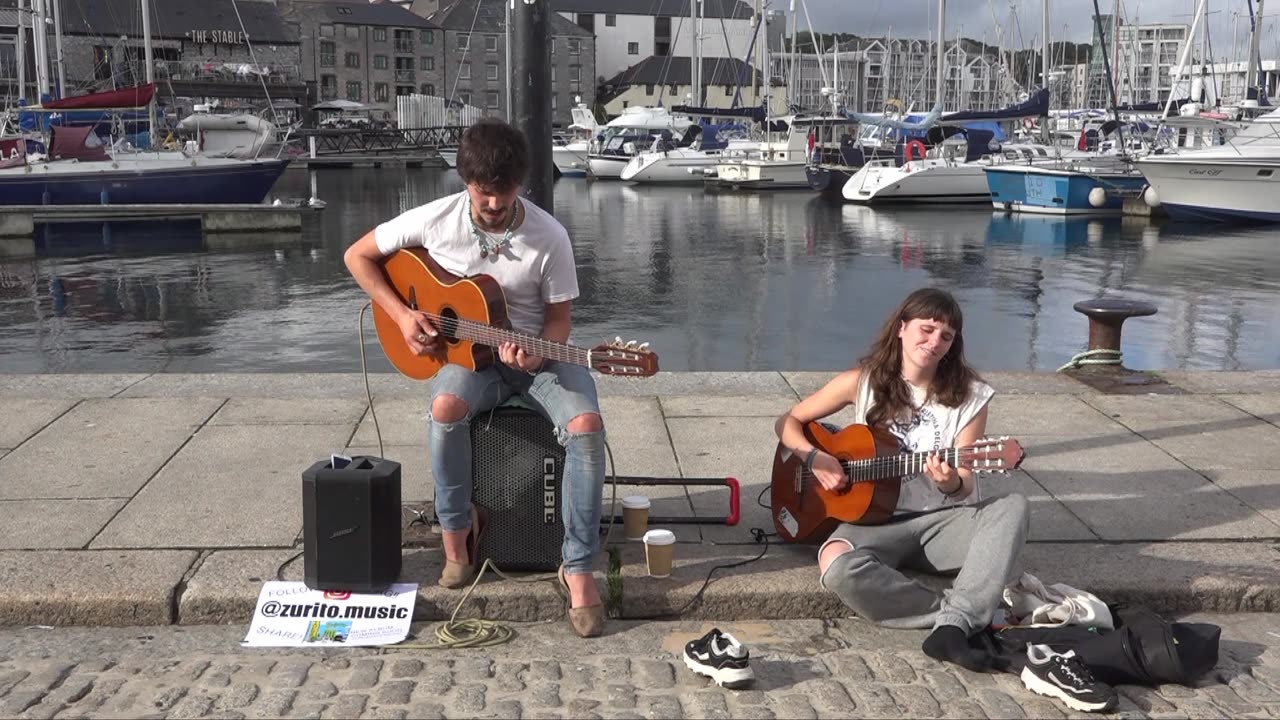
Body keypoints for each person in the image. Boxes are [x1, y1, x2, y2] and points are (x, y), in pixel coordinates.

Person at [343, 118, 607, 638]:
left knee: (586, 427)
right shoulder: (436, 219)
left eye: (504, 193)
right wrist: (401, 316)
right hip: (468, 361)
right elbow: (358, 256)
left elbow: (559, 322)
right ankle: (457, 535)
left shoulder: (549, 236)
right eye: (484, 193)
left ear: (521, 184)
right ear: (467, 182)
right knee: (444, 411)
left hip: (538, 358)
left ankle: (576, 568)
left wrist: (536, 357)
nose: (493, 204)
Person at [773, 287, 1029, 672]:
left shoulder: (971, 398)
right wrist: (815, 456)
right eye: (927, 329)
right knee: (836, 566)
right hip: (870, 521)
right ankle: (955, 615)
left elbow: (964, 482)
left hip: (938, 524)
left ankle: (953, 630)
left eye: (946, 336)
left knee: (1013, 507)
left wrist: (950, 484)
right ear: (901, 328)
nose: (935, 342)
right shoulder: (863, 382)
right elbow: (787, 422)